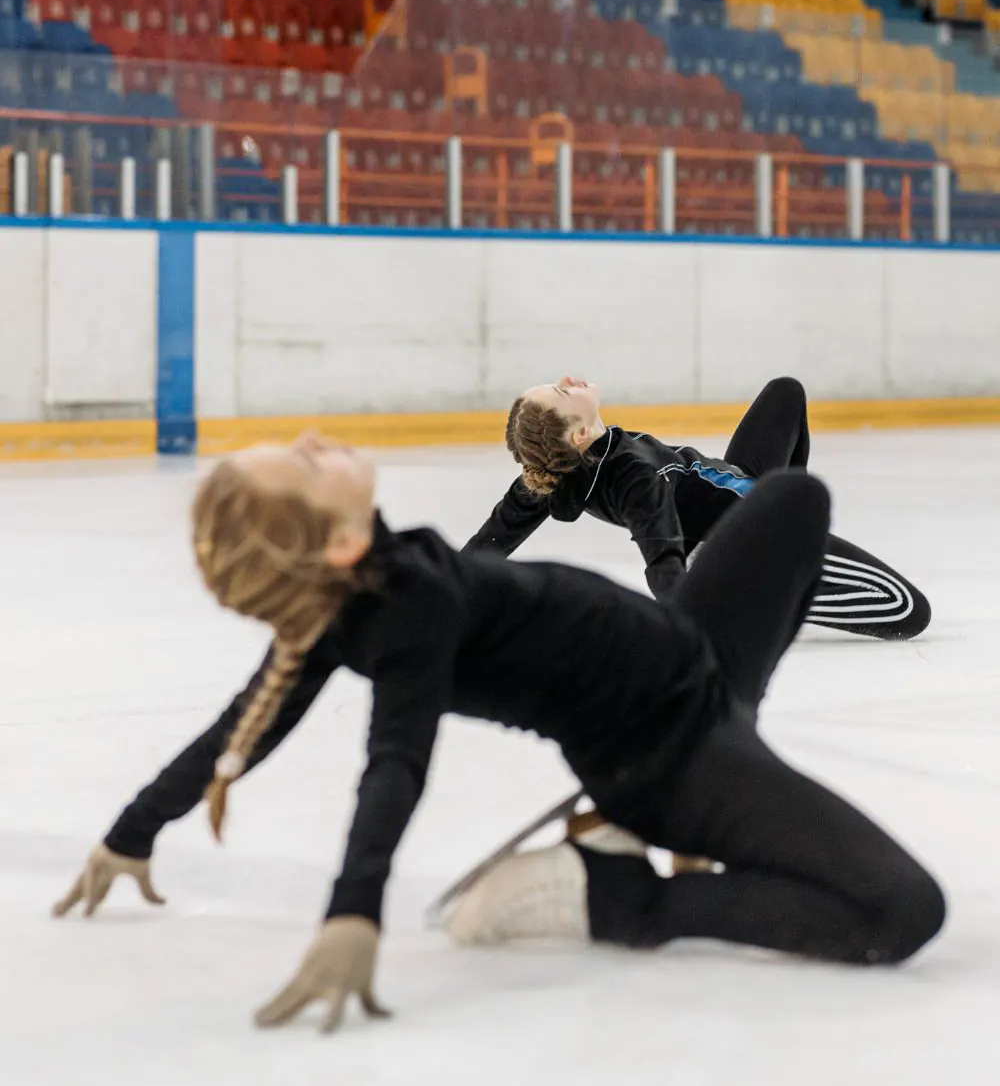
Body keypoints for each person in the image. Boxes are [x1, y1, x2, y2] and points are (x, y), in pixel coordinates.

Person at [53, 434, 945, 1034]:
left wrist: (131, 832)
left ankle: (631, 823)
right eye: (303, 462)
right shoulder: (403, 619)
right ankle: (614, 896)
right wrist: (353, 911)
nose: (314, 442)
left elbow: (236, 727)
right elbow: (393, 764)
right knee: (901, 910)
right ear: (329, 544)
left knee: (793, 496)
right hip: (670, 752)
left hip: (696, 654)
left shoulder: (368, 577)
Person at [466, 376, 930, 640]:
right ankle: (765, 578)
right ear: (579, 434)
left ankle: (791, 533)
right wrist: (687, 619)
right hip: (740, 532)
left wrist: (445, 592)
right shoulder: (633, 477)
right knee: (907, 609)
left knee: (786, 392)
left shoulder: (553, 472)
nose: (567, 381)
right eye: (562, 393)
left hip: (739, 479)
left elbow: (489, 543)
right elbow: (661, 550)